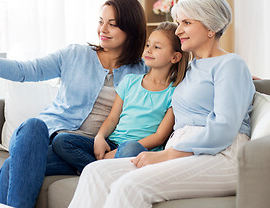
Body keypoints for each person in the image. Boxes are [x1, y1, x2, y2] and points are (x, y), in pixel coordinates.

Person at [0, 0, 149, 208]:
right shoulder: (75, 54)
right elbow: (26, 71)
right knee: (33, 126)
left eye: (112, 24)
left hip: (83, 149)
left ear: (131, 29)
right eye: (101, 21)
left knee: (11, 166)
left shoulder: (143, 70)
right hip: (41, 139)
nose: (103, 29)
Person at [68, 0, 256, 208]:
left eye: (186, 23)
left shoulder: (231, 64)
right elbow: (158, 68)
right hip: (187, 151)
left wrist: (169, 154)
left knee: (130, 186)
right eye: (178, 23)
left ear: (210, 27)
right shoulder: (193, 67)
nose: (178, 31)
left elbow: (223, 129)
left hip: (222, 155)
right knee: (95, 171)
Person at [52, 22, 189, 173]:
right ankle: (97, 169)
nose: (149, 50)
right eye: (148, 45)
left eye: (157, 47)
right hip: (113, 143)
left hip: (138, 149)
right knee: (62, 141)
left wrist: (119, 152)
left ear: (175, 57)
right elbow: (112, 118)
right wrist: (100, 138)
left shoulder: (174, 93)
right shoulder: (130, 81)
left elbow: (159, 137)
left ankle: (95, 168)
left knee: (130, 147)